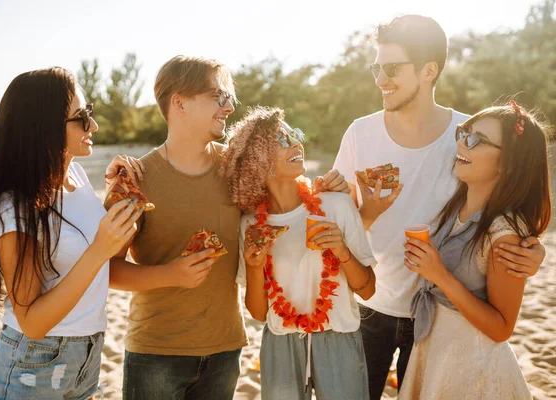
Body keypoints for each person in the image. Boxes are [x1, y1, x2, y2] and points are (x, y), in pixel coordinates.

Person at [108, 56, 349, 400]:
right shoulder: (136, 179)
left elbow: (289, 201)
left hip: (225, 351)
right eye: (217, 97)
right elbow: (108, 270)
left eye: (229, 99)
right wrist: (171, 275)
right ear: (179, 102)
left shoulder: (236, 168)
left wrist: (328, 186)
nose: (228, 108)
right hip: (156, 353)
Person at [332, 15, 546, 398]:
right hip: (368, 305)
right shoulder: (359, 134)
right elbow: (338, 222)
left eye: (393, 68)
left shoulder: (468, 138)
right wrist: (366, 214)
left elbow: (503, 211)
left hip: (436, 320)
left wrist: (533, 249)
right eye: (376, 67)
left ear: (429, 70)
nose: (381, 79)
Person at [0, 67, 142, 399]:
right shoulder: (15, 207)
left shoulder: (75, 174)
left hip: (86, 359)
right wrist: (99, 249)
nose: (94, 125)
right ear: (43, 129)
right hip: (32, 368)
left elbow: (102, 266)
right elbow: (32, 322)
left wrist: (116, 200)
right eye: (81, 117)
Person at [220, 106, 376, 399]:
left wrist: (341, 250)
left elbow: (368, 291)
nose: (295, 143)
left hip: (340, 340)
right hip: (281, 344)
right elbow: (257, 313)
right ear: (257, 162)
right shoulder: (251, 225)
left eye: (294, 135)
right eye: (281, 140)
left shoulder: (335, 205)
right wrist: (254, 267)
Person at [399, 101, 551, 398]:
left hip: (472, 367)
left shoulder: (505, 234)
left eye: (476, 140)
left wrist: (439, 275)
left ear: (508, 164)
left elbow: (502, 329)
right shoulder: (458, 203)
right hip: (437, 351)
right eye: (463, 132)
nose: (461, 144)